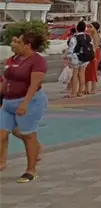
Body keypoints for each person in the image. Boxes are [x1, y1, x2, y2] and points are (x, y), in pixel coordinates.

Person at [0, 31, 48, 182]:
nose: (14, 44)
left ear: (28, 45)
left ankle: (31, 170)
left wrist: (25, 103)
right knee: (1, 134)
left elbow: (34, 85)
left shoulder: (37, 61)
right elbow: (6, 80)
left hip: (29, 102)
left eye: (18, 42)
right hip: (8, 103)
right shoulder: (14, 59)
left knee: (28, 135)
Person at [85, 21, 101, 95]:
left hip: (95, 54)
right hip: (89, 53)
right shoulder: (89, 35)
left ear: (95, 28)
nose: (88, 28)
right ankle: (86, 88)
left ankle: (93, 88)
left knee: (93, 71)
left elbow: (95, 47)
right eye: (88, 27)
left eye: (90, 27)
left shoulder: (96, 36)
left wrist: (93, 56)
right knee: (87, 70)